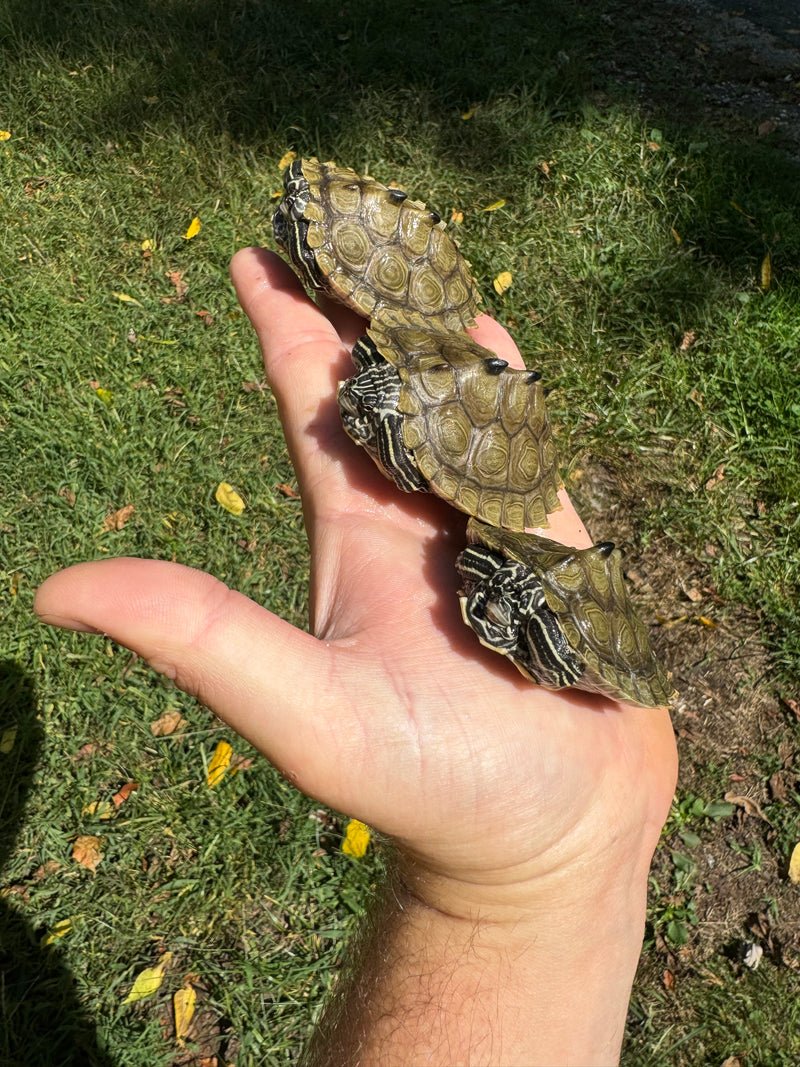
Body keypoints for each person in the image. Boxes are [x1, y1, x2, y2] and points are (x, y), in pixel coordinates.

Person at [34, 247, 678, 1066]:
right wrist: (528, 888)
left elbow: (516, 589)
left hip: (564, 598)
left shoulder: (497, 544)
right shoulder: (452, 489)